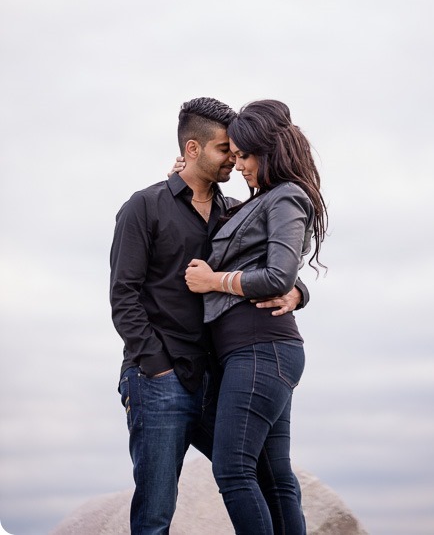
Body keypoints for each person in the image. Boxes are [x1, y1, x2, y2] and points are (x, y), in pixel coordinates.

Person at [109, 97, 310, 535]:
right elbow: (123, 296)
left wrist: (298, 290)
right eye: (225, 150)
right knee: (156, 511)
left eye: (238, 153)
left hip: (218, 375)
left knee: (256, 475)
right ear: (193, 149)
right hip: (160, 378)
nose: (234, 161)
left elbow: (274, 260)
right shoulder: (144, 207)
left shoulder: (233, 211)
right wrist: (156, 367)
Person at [185, 99, 328, 535]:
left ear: (270, 153)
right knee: (275, 476)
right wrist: (184, 178)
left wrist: (216, 282)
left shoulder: (287, 196)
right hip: (253, 350)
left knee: (233, 469)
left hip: (261, 347)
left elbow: (279, 275)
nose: (239, 163)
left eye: (245, 155)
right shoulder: (258, 201)